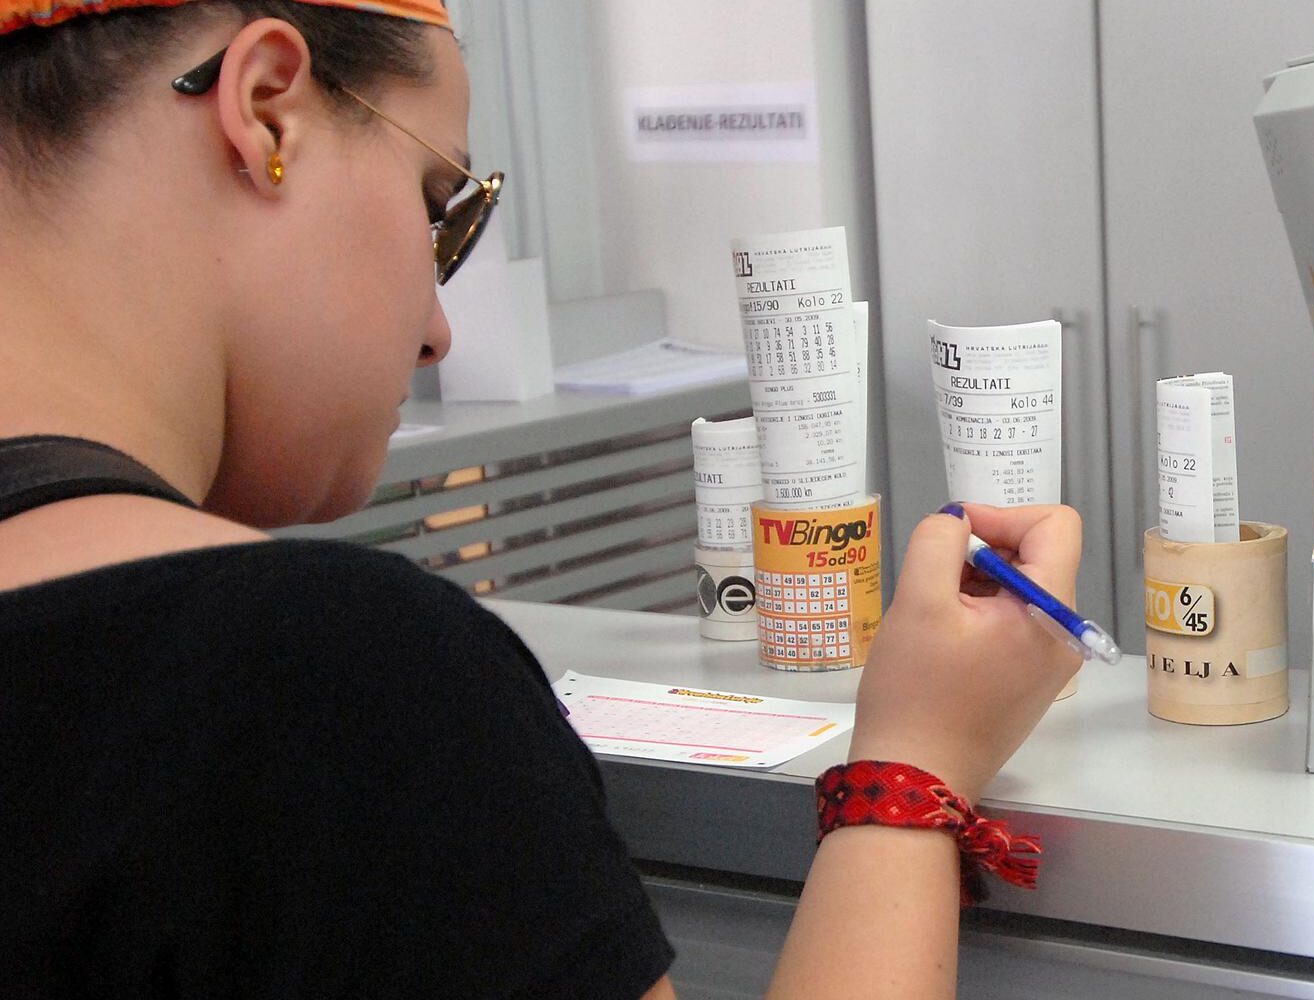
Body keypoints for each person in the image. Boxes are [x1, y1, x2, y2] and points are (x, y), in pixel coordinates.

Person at [0, 1, 1085, 996]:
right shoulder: (322, 675)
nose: (437, 330)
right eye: (438, 208)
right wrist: (911, 766)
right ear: (269, 106)